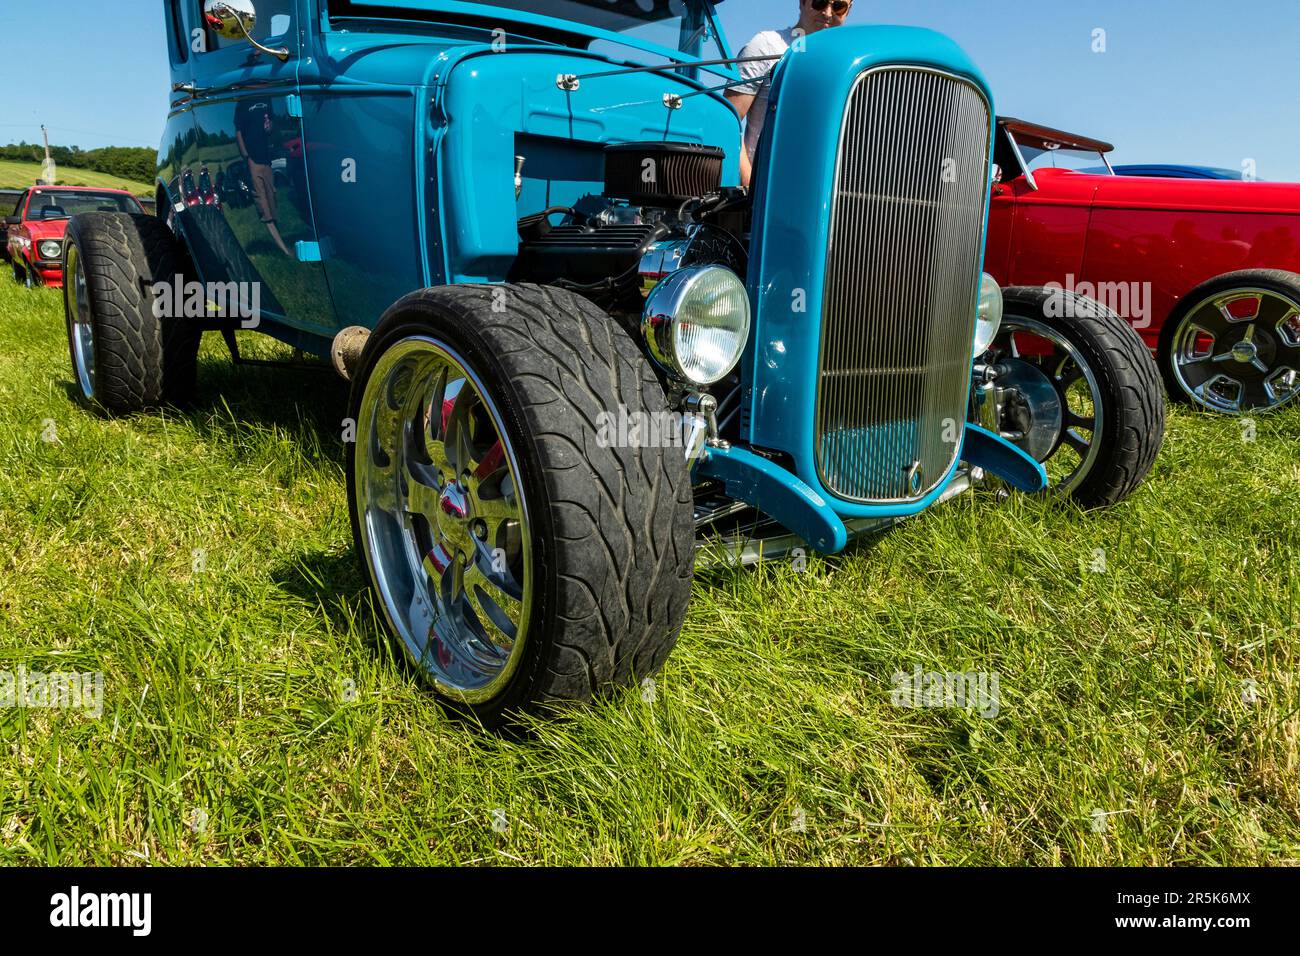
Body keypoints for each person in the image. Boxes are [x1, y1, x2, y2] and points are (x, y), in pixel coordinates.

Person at [724, 0, 855, 188]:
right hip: (764, 193)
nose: (827, 13)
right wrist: (750, 190)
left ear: (848, 11)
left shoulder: (848, 64)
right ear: (802, 2)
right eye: (819, 3)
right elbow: (728, 124)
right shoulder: (766, 46)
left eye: (838, 7)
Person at [235, 98, 292, 256]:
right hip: (253, 160)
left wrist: (269, 127)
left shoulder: (266, 99)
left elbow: (270, 127)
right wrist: (246, 157)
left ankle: (281, 241)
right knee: (263, 204)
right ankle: (285, 251)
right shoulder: (242, 103)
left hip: (266, 160)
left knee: (272, 198)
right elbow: (238, 131)